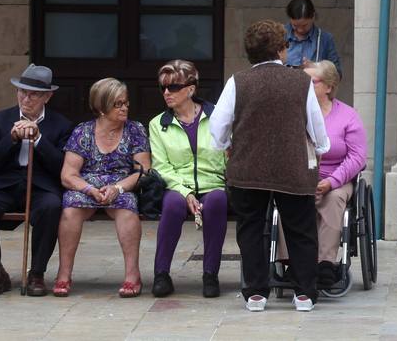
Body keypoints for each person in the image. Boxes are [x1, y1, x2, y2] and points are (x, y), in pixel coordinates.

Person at [209, 20, 330, 313]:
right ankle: (304, 294)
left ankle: (255, 294)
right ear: (280, 49)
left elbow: (218, 127)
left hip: (248, 168)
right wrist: (322, 148)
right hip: (293, 167)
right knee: (300, 229)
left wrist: (225, 146)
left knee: (250, 229)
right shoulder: (301, 82)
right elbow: (316, 126)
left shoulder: (237, 81)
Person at [0, 63, 74, 297]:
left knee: (52, 207)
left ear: (47, 96)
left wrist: (38, 140)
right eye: (22, 92)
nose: (26, 98)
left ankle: (36, 273)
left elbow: (61, 166)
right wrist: (12, 138)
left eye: (34, 94)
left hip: (40, 187)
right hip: (5, 187)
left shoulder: (61, 125)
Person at [53, 78, 151, 298]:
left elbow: (143, 170)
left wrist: (118, 188)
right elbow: (68, 174)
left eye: (125, 102)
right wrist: (88, 189)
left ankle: (132, 275)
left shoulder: (135, 130)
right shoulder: (83, 132)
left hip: (121, 186)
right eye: (117, 104)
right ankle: (64, 273)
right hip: (87, 186)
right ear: (101, 107)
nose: (124, 107)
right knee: (70, 209)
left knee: (127, 209)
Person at [279, 60, 367, 293]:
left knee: (334, 199)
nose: (305, 86)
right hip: (301, 177)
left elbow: (357, 157)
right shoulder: (292, 115)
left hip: (337, 177)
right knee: (287, 198)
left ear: (328, 86)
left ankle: (325, 263)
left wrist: (332, 181)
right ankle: (290, 262)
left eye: (311, 82)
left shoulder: (348, 116)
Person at [148, 59, 228, 299]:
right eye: (163, 87)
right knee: (172, 205)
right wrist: (186, 193)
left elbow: (228, 156)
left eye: (172, 87)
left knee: (216, 202)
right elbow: (161, 167)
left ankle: (210, 275)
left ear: (191, 89)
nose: (166, 93)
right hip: (176, 185)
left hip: (213, 183)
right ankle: (161, 274)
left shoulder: (218, 117)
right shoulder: (157, 124)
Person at [284, 0, 343, 76]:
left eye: (304, 25)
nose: (300, 30)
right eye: (295, 25)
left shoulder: (325, 39)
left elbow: (337, 74)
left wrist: (316, 67)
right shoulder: (279, 35)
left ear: (313, 16)